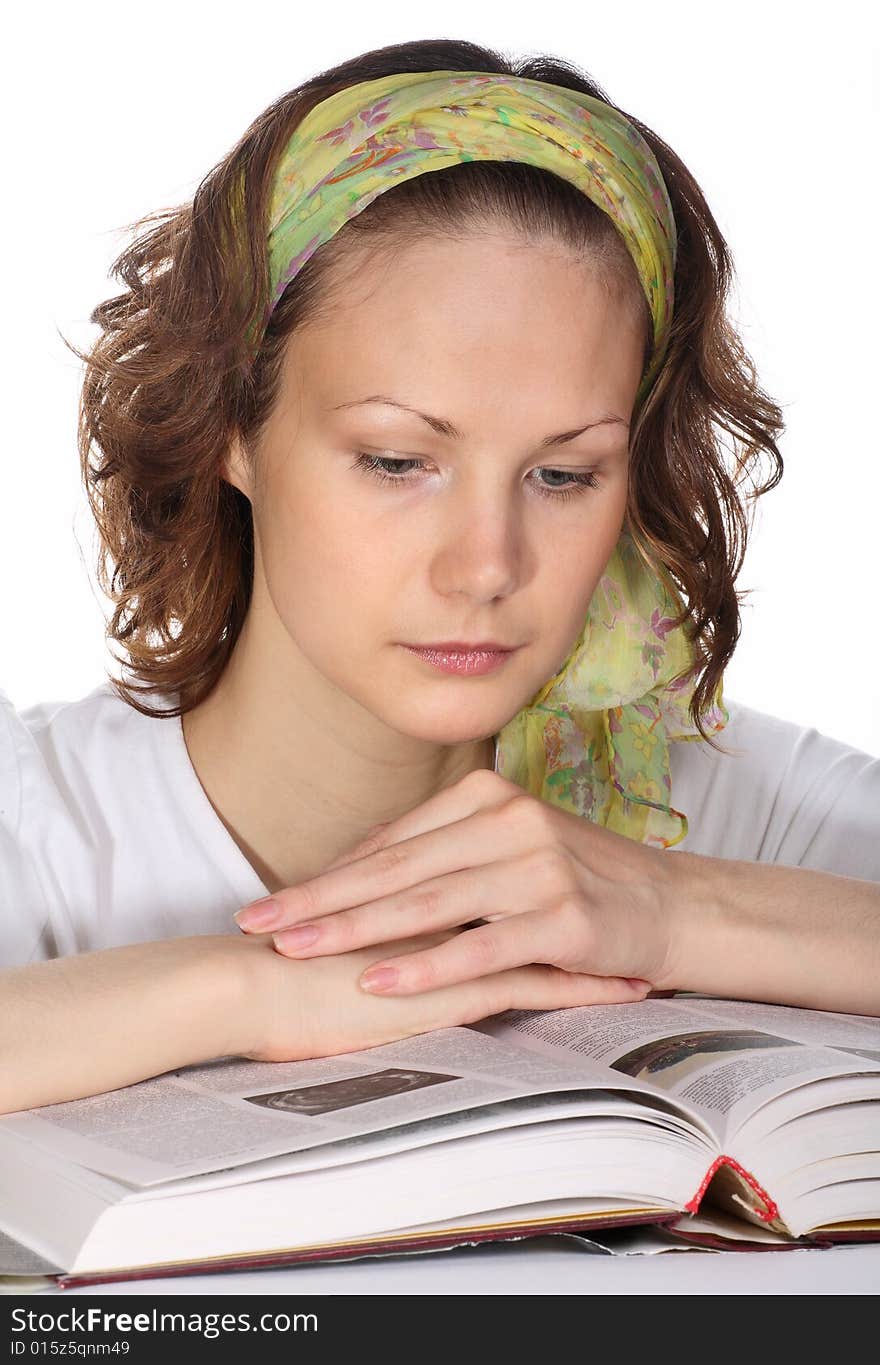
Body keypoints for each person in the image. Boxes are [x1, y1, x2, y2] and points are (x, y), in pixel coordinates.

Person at [1, 37, 878, 1118]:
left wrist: (674, 905)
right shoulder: (32, 822)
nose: (487, 566)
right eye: (397, 461)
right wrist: (237, 994)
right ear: (232, 429)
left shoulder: (731, 812)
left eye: (563, 473)